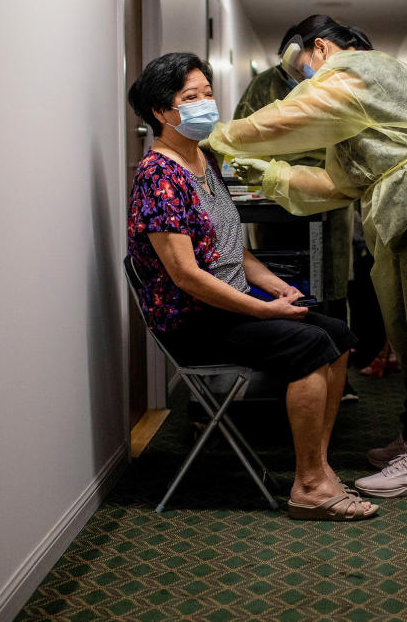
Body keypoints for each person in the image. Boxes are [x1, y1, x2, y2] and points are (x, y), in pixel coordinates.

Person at [208, 15, 407, 499]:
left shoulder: (358, 70)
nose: (303, 79)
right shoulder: (372, 96)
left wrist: (220, 137)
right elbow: (341, 184)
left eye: (303, 66)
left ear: (319, 48)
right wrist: (269, 176)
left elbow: (289, 119)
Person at [126, 51, 377, 521]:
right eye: (190, 97)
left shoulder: (203, 159)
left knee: (338, 336)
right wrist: (261, 310)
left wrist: (277, 288)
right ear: (161, 113)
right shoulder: (158, 176)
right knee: (308, 347)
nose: (205, 103)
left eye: (206, 92)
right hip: (193, 320)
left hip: (229, 307)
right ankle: (308, 488)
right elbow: (185, 275)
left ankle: (318, 466)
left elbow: (234, 250)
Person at [234, 19, 366, 400]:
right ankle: (289, 367)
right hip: (275, 197)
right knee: (283, 281)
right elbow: (246, 132)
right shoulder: (266, 85)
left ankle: (337, 373)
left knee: (331, 284)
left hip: (328, 197)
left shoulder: (338, 84)